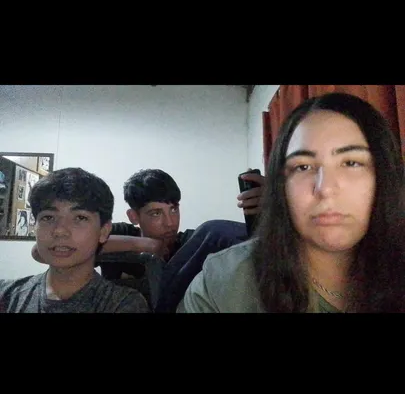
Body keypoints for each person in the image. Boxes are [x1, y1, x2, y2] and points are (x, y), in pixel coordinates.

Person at [178, 93, 405, 313]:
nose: (325, 188)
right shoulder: (223, 285)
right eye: (303, 167)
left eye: (351, 163)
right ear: (280, 186)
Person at [32, 168, 265, 311]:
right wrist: (141, 244)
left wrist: (273, 208)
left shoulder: (191, 243)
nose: (169, 222)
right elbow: (39, 252)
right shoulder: (121, 232)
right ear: (134, 216)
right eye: (155, 213)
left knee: (214, 232)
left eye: (173, 209)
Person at [0, 167, 149, 313]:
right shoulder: (7, 294)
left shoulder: (123, 304)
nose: (59, 230)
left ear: (103, 231)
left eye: (80, 218)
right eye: (48, 217)